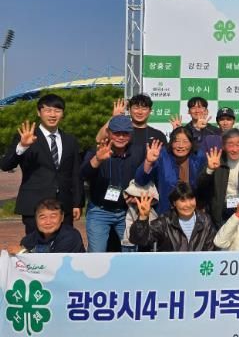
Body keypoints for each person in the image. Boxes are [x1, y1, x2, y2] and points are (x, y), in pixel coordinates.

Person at [1, 94, 82, 234]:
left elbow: (75, 174)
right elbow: (6, 165)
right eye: (48, 110)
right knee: (36, 245)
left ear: (62, 114)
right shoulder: (26, 136)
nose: (52, 115)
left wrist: (77, 203)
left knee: (64, 243)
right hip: (34, 205)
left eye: (57, 111)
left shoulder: (70, 140)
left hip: (64, 205)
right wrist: (22, 146)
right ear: (39, 112)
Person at [81, 115, 145, 252]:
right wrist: (97, 160)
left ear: (131, 134)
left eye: (125, 133)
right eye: (116, 133)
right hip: (99, 210)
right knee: (96, 254)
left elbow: (145, 179)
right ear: (108, 133)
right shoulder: (97, 150)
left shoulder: (138, 152)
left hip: (127, 210)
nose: (121, 137)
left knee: (131, 252)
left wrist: (137, 196)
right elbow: (83, 175)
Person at [196, 128, 239, 228]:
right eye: (230, 145)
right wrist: (210, 170)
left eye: (238, 145)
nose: (234, 149)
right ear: (223, 146)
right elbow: (201, 186)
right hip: (221, 210)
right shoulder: (215, 158)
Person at [135, 126, 205, 215]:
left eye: (185, 141)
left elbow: (204, 185)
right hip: (166, 212)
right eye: (176, 141)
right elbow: (140, 181)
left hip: (191, 210)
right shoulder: (162, 155)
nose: (180, 146)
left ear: (191, 143)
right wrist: (148, 162)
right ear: (171, 142)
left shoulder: (199, 157)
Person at [129, 182, 216, 251]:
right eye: (182, 200)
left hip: (197, 266)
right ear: (174, 203)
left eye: (191, 199)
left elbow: (211, 250)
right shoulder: (164, 222)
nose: (188, 204)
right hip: (171, 267)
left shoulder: (205, 220)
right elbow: (139, 240)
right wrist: (143, 217)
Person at [8, 199, 85, 254]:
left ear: (62, 218)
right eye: (42, 217)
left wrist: (23, 253)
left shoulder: (71, 236)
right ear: (36, 219)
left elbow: (55, 264)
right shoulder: (28, 240)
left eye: (53, 216)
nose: (48, 222)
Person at [95, 95, 167, 149]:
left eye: (144, 109)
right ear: (129, 109)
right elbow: (99, 139)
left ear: (150, 111)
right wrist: (114, 118)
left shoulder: (158, 135)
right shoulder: (120, 131)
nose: (140, 112)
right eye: (136, 108)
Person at [122, 180, 159, 252]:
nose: (136, 200)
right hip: (131, 243)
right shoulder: (130, 212)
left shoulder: (154, 216)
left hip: (147, 245)